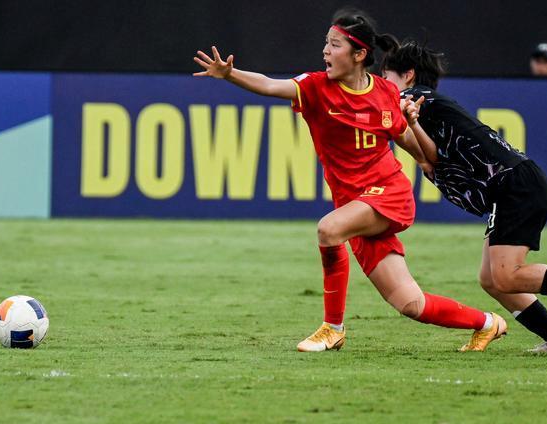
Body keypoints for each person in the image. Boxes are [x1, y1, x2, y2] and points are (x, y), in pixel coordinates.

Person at [193, 9, 508, 353]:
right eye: (326, 43)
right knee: (410, 303)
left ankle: (333, 329)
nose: (325, 51)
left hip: (389, 194)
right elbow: (270, 85)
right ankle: (487, 323)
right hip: (356, 205)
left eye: (334, 45)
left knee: (329, 230)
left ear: (359, 54)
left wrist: (414, 125)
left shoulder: (386, 93)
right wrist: (230, 74)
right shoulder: (315, 87)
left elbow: (417, 150)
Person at [379, 38, 547, 353]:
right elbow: (428, 156)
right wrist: (408, 126)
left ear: (408, 75)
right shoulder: (424, 109)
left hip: (513, 184)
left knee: (506, 276)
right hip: (511, 186)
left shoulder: (412, 97)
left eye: (386, 76)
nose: (382, 84)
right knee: (491, 279)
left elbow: (397, 123)